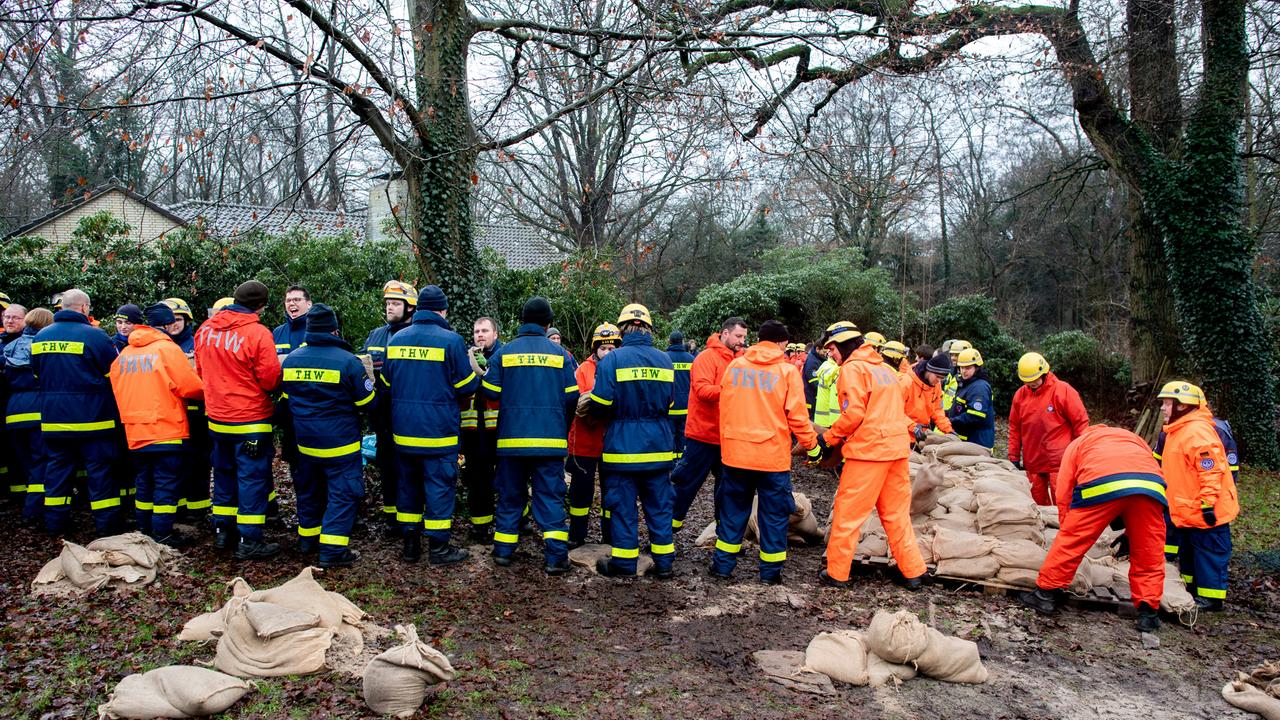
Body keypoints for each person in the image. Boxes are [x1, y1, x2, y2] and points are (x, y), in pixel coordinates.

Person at [1017, 425, 1166, 632]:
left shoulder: (1078, 444)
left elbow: (1064, 488)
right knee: (1149, 550)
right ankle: (1148, 612)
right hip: (1150, 488)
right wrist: (1131, 534)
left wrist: (1067, 524)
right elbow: (1137, 473)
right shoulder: (1133, 438)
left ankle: (1045, 595)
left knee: (1073, 541)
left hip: (1102, 484)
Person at [817, 324, 928, 590]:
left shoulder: (854, 369)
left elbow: (853, 414)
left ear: (843, 344)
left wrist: (827, 439)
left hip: (868, 454)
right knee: (897, 516)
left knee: (848, 515)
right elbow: (895, 413)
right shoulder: (884, 371)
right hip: (896, 452)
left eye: (832, 349)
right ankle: (913, 571)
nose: (830, 354)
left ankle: (837, 573)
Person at [711, 320, 817, 584]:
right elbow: (798, 418)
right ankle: (769, 575)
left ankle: (722, 568)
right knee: (773, 516)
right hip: (771, 459)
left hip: (736, 455)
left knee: (733, 513)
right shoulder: (787, 372)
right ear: (781, 343)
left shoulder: (735, 366)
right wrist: (813, 447)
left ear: (759, 340)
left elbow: (724, 408)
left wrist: (728, 443)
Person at [382, 285, 479, 565]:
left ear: (417, 308)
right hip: (439, 434)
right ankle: (438, 548)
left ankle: (410, 546)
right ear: (442, 310)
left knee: (408, 487)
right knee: (439, 488)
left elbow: (385, 385)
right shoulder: (451, 341)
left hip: (404, 433)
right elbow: (466, 387)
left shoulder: (397, 340)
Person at [483, 297, 579, 574]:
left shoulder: (505, 354)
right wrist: (561, 426)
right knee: (550, 498)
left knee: (510, 497)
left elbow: (489, 393)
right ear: (548, 322)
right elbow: (572, 397)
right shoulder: (560, 355)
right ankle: (556, 558)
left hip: (511, 442)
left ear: (522, 320)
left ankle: (502, 551)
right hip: (549, 442)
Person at [282, 304, 376, 568]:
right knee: (343, 494)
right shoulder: (348, 362)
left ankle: (307, 541)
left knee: (310, 491)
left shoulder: (291, 360)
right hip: (340, 444)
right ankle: (333, 551)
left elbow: (287, 400)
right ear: (334, 330)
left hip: (306, 444)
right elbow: (367, 402)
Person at [194, 280, 283, 560]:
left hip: (217, 418)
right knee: (252, 479)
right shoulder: (257, 333)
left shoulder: (205, 329)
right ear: (260, 305)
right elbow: (270, 378)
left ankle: (224, 532)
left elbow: (200, 369)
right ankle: (250, 539)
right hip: (250, 418)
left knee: (223, 474)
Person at [588, 303, 676, 578]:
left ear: (622, 328)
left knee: (623, 508)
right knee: (659, 507)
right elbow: (670, 402)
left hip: (622, 450)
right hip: (658, 448)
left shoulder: (612, 360)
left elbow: (600, 404)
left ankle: (625, 564)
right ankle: (664, 564)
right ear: (648, 328)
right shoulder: (665, 360)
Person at [109, 303, 204, 547]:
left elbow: (117, 388)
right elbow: (190, 387)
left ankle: (143, 528)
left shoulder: (126, 353)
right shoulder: (166, 349)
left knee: (143, 482)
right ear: (167, 324)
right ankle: (162, 532)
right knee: (165, 483)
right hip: (165, 427)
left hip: (135, 429)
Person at [32, 289, 121, 536]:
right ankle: (106, 526)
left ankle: (55, 524)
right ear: (84, 308)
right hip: (94, 421)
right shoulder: (95, 337)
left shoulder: (40, 337)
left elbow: (38, 375)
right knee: (100, 474)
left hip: (54, 421)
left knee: (57, 474)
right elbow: (113, 373)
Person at [1155, 381, 1238, 611]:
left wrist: (1208, 504)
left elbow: (1211, 471)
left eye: (1167, 403)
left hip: (1206, 510)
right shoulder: (1177, 430)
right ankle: (1190, 590)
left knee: (1210, 554)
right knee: (1191, 553)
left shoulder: (1197, 432)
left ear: (1182, 406)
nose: (1162, 408)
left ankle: (1211, 599)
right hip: (1190, 509)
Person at [670, 317, 748, 531]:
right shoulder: (706, 358)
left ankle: (725, 536)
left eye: (744, 337)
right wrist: (733, 392)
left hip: (728, 437)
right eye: (738, 336)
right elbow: (703, 390)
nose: (742, 341)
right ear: (724, 334)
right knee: (685, 484)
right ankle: (665, 532)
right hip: (702, 436)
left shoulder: (741, 361)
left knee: (728, 489)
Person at [362, 280, 417, 530]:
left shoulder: (416, 334)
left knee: (410, 467)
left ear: (410, 308)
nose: (390, 308)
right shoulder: (376, 335)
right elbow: (363, 363)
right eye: (388, 304)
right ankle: (391, 515)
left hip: (407, 412)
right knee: (387, 465)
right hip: (381, 413)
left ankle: (413, 514)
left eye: (396, 303)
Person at [1008, 352, 1089, 506]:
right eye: (1027, 381)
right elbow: (1015, 427)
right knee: (1037, 504)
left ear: (1044, 372)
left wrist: (1083, 453)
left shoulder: (1063, 391)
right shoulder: (1020, 396)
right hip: (1033, 460)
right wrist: (1013, 456)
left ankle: (1065, 529)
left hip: (1059, 460)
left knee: (1063, 501)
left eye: (1034, 379)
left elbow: (1080, 423)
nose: (1031, 383)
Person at [566, 322, 619, 546]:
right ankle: (577, 536)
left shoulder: (620, 368)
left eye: (612, 348)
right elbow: (575, 401)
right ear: (595, 348)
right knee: (581, 493)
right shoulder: (583, 370)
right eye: (603, 348)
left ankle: (610, 536)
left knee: (611, 492)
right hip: (584, 441)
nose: (607, 352)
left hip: (611, 442)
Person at [159, 297, 209, 519]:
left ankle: (197, 511)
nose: (174, 324)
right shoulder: (159, 346)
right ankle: (177, 508)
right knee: (173, 466)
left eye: (178, 319)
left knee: (198, 463)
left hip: (196, 413)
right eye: (170, 320)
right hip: (168, 415)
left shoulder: (197, 343)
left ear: (186, 320)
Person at [459, 316, 502, 541]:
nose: (480, 335)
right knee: (478, 480)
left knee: (507, 479)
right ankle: (480, 527)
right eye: (476, 331)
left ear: (495, 335)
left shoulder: (502, 358)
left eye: (485, 331)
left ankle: (516, 522)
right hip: (473, 432)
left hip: (500, 431)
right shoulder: (466, 359)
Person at [6, 307, 50, 522]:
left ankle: (24, 504)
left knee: (23, 461)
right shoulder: (42, 347)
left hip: (13, 410)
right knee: (40, 461)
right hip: (38, 408)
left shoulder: (9, 346)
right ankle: (33, 511)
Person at [272, 286, 313, 511]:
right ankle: (304, 509)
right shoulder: (277, 333)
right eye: (288, 300)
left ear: (309, 303)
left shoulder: (318, 330)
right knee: (296, 463)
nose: (292, 304)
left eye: (297, 299)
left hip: (316, 408)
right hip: (289, 408)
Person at [900, 352, 954, 442]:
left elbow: (937, 410)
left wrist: (948, 429)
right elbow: (894, 411)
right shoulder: (906, 382)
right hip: (902, 436)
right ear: (929, 370)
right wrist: (913, 427)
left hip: (921, 436)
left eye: (942, 378)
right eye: (937, 376)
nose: (939, 381)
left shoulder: (936, 385)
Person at [1, 301, 25, 504]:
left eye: (15, 317)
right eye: (7, 316)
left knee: (18, 454)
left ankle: (19, 496)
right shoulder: (1, 342)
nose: (9, 320)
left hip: (16, 405)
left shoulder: (27, 343)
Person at [947, 348, 995, 448]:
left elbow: (975, 416)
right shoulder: (966, 383)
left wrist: (950, 420)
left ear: (977, 368)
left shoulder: (979, 387)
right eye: (962, 367)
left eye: (968, 368)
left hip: (977, 442)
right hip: (966, 440)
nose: (964, 371)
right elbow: (958, 408)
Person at [812, 322, 856, 430]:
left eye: (832, 349)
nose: (829, 353)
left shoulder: (829, 367)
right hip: (835, 424)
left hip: (830, 422)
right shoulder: (838, 371)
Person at [665, 330, 695, 460]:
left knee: (670, 434)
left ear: (669, 341)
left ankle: (671, 460)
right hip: (686, 405)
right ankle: (682, 461)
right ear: (683, 342)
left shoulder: (664, 358)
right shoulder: (691, 359)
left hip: (670, 405)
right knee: (683, 434)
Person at [939, 339, 970, 412]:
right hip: (944, 416)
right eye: (952, 355)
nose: (953, 358)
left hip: (956, 418)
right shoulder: (951, 372)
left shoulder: (968, 377)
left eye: (956, 355)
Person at [801, 337, 826, 419]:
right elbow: (815, 382)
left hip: (814, 398)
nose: (825, 353)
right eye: (824, 351)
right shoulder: (812, 361)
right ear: (817, 349)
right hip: (811, 399)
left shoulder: (817, 358)